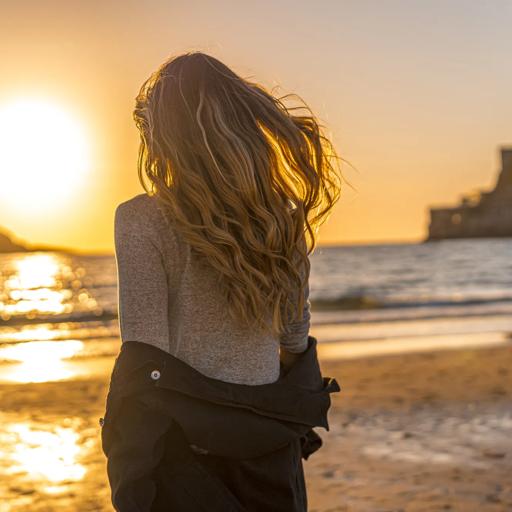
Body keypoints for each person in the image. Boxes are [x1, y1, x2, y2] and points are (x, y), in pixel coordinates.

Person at [101, 51, 343, 512]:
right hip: (270, 454)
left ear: (164, 135)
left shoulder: (141, 219)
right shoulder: (278, 219)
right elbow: (293, 339)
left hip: (188, 458)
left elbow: (144, 355)